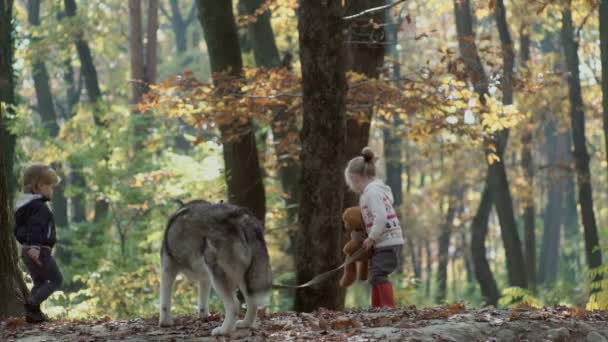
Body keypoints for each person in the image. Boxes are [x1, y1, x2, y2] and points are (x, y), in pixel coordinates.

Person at [344, 147, 404, 308]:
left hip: (388, 242)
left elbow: (381, 217)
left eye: (350, 181)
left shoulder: (372, 193)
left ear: (355, 178)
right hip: (383, 241)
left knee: (378, 274)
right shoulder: (373, 191)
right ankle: (378, 309)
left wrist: (371, 238)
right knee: (375, 275)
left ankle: (386, 308)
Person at [14, 163, 63, 323]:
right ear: (38, 186)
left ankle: (33, 315)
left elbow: (19, 230)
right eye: (49, 186)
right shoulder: (39, 207)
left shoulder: (24, 206)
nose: (52, 190)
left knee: (39, 282)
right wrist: (34, 246)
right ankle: (32, 305)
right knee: (56, 279)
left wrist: (27, 245)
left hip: (27, 249)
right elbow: (36, 227)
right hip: (39, 250)